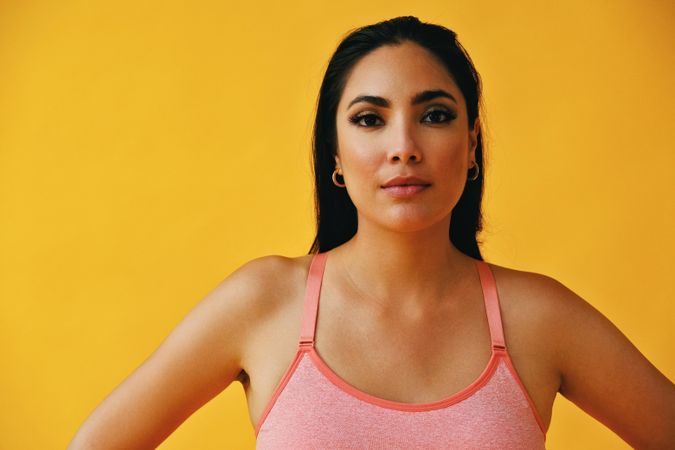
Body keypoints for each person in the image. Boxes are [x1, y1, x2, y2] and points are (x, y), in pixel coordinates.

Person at [68, 16, 675, 449]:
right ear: (335, 153)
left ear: (470, 149)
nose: (403, 148)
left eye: (435, 116)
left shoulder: (539, 318)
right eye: (369, 119)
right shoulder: (264, 303)